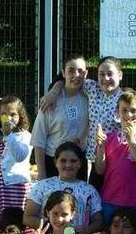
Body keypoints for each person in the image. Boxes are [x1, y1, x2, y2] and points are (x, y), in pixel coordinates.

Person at [40, 56, 124, 189]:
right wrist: (54, 91)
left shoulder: (125, 99)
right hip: (95, 160)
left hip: (116, 161)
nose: (106, 78)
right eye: (101, 74)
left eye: (110, 74)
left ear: (120, 75)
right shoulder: (92, 89)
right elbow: (69, 79)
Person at [95, 89, 136, 224]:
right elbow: (100, 170)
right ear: (117, 112)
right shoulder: (110, 138)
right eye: (124, 110)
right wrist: (100, 148)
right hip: (110, 200)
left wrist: (131, 141)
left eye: (133, 110)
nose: (129, 114)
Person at [23, 142, 104, 234]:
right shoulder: (42, 186)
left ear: (80, 163)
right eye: (63, 161)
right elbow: (28, 217)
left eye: (73, 161)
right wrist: (53, 227)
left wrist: (87, 229)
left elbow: (99, 221)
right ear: (56, 162)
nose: (68, 165)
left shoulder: (89, 191)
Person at [31, 54, 90, 180]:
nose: (76, 75)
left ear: (86, 74)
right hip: (53, 163)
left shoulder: (90, 97)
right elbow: (38, 140)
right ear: (63, 73)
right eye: (71, 70)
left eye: (80, 71)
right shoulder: (50, 102)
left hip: (78, 163)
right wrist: (42, 175)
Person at [0, 96, 32, 234]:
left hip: (16, 187)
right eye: (4, 114)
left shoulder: (24, 136)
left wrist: (9, 135)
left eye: (13, 114)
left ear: (20, 115)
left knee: (15, 225)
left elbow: (20, 156)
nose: (8, 118)